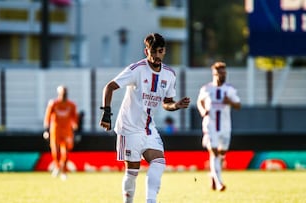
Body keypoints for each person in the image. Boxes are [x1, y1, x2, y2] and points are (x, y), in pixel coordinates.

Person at [100, 33, 190, 203]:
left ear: (164, 52)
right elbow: (109, 87)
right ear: (146, 51)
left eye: (160, 52)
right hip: (129, 127)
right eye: (153, 52)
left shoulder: (169, 75)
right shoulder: (137, 69)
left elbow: (167, 102)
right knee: (132, 172)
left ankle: (151, 201)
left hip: (148, 128)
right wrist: (106, 114)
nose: (156, 56)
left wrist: (176, 105)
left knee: (159, 162)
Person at [197, 62, 241, 191]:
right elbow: (199, 101)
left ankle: (213, 174)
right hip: (210, 124)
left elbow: (238, 105)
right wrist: (202, 111)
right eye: (220, 73)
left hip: (225, 126)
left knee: (222, 154)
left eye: (224, 72)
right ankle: (219, 182)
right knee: (214, 152)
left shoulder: (230, 89)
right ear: (214, 74)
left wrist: (230, 102)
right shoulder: (206, 89)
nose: (223, 75)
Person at [43, 85, 78, 181]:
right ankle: (57, 166)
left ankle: (64, 171)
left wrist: (76, 128)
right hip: (55, 130)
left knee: (65, 152)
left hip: (67, 131)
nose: (64, 95)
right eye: (63, 93)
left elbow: (74, 118)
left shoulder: (71, 105)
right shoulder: (53, 104)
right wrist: (46, 130)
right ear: (59, 93)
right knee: (55, 151)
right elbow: (47, 117)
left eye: (65, 93)